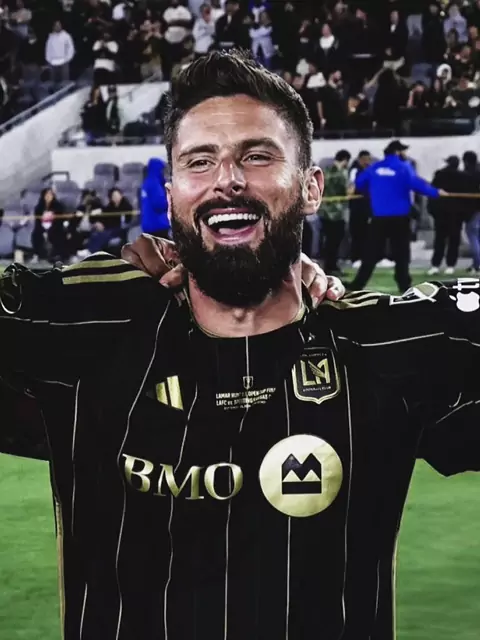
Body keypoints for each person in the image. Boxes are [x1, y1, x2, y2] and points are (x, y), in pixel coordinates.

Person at [1, 51, 480, 640]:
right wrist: (95, 284)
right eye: (199, 161)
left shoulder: (380, 347)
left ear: (310, 188)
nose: (227, 178)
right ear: (171, 196)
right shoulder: (89, 337)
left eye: (257, 156)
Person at [349, 140, 446, 292]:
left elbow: (360, 183)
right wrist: (436, 192)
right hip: (399, 217)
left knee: (371, 252)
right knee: (401, 253)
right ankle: (403, 283)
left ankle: (358, 283)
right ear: (397, 152)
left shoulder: (374, 168)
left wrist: (375, 191)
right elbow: (416, 184)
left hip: (379, 216)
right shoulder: (403, 167)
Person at [427, 155, 466, 276]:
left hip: (440, 212)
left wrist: (432, 210)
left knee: (439, 239)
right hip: (456, 213)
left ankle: (435, 265)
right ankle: (450, 265)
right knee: (454, 240)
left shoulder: (439, 174)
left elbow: (432, 192)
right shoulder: (462, 176)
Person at [319, 149, 351, 275]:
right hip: (337, 213)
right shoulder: (342, 173)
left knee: (327, 241)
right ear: (345, 160)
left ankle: (327, 266)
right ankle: (332, 267)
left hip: (324, 211)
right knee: (335, 242)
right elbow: (347, 191)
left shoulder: (325, 171)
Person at [31, 187, 69, 264]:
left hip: (55, 227)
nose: (48, 196)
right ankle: (37, 255)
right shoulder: (38, 207)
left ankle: (58, 256)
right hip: (42, 228)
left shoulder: (58, 206)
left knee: (60, 234)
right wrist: (43, 231)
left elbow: (59, 221)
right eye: (46, 194)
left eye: (50, 194)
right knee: (35, 234)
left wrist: (50, 230)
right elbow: (37, 222)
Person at [348, 149, 372, 268]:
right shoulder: (355, 171)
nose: (367, 162)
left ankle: (365, 257)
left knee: (367, 233)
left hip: (367, 206)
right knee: (357, 233)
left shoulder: (369, 170)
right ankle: (355, 258)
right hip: (357, 207)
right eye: (365, 160)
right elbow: (351, 187)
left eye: (369, 160)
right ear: (360, 160)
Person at [140, 157, 170, 238]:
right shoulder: (154, 184)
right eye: (162, 170)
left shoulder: (146, 182)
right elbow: (160, 204)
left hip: (148, 225)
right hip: (158, 225)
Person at [462, 150, 480, 274]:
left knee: (472, 235)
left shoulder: (467, 174)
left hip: (473, 209)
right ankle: (476, 263)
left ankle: (477, 263)